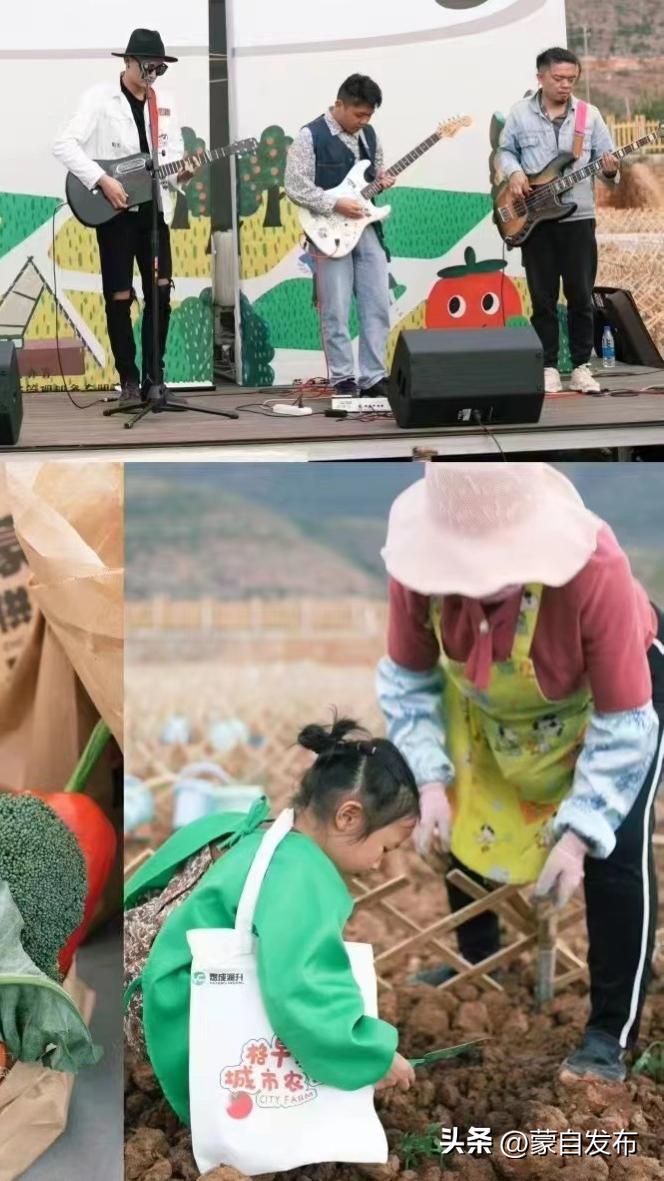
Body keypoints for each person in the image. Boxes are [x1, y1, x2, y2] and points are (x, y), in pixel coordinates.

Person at [377, 463, 662, 1084]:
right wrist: (430, 783)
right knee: (462, 810)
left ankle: (608, 1034)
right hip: (490, 704)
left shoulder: (595, 571)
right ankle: (479, 961)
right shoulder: (418, 573)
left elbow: (624, 723)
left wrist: (579, 837)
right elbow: (410, 682)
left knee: (615, 856)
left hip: (608, 701)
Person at [123, 717, 420, 1126]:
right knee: (283, 1025)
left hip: (138, 979)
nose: (379, 864)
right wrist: (369, 1053)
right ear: (348, 817)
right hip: (172, 1012)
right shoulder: (300, 871)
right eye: (386, 848)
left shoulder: (259, 832)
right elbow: (303, 985)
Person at [53, 29, 197, 402]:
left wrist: (183, 173)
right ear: (128, 62)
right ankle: (128, 380)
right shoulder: (100, 99)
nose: (153, 74)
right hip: (116, 213)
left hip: (154, 211)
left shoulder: (164, 103)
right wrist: (102, 180)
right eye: (148, 66)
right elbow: (64, 144)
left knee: (160, 291)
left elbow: (171, 157)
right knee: (119, 295)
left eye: (160, 68)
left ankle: (155, 379)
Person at [497, 48, 620, 394]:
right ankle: (548, 367)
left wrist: (611, 170)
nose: (565, 85)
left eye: (571, 79)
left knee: (581, 296)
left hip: (578, 218)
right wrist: (515, 173)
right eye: (558, 78)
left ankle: (582, 366)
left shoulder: (589, 116)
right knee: (543, 299)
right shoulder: (520, 113)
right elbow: (505, 151)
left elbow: (607, 164)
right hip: (535, 221)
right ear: (541, 77)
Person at [285, 74, 396, 397]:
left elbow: (372, 178)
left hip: (367, 228)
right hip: (328, 232)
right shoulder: (310, 136)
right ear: (339, 105)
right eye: (359, 114)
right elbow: (295, 186)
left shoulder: (369, 135)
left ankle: (374, 376)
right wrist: (335, 203)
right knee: (335, 307)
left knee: (377, 303)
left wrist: (382, 181)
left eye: (369, 115)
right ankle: (343, 377)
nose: (364, 121)